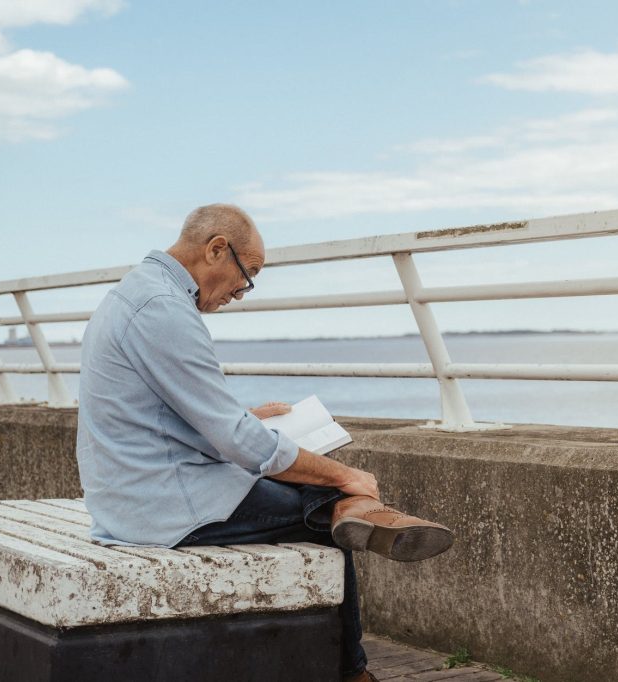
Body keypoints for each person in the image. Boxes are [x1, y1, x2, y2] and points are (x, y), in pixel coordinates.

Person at [75, 203, 453, 682]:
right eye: (247, 274)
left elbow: (160, 412)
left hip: (131, 492)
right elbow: (240, 444)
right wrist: (345, 474)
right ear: (216, 249)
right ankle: (353, 669)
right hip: (161, 506)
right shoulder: (164, 311)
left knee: (305, 490)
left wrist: (241, 418)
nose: (242, 291)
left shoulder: (135, 294)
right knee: (322, 515)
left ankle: (355, 511)